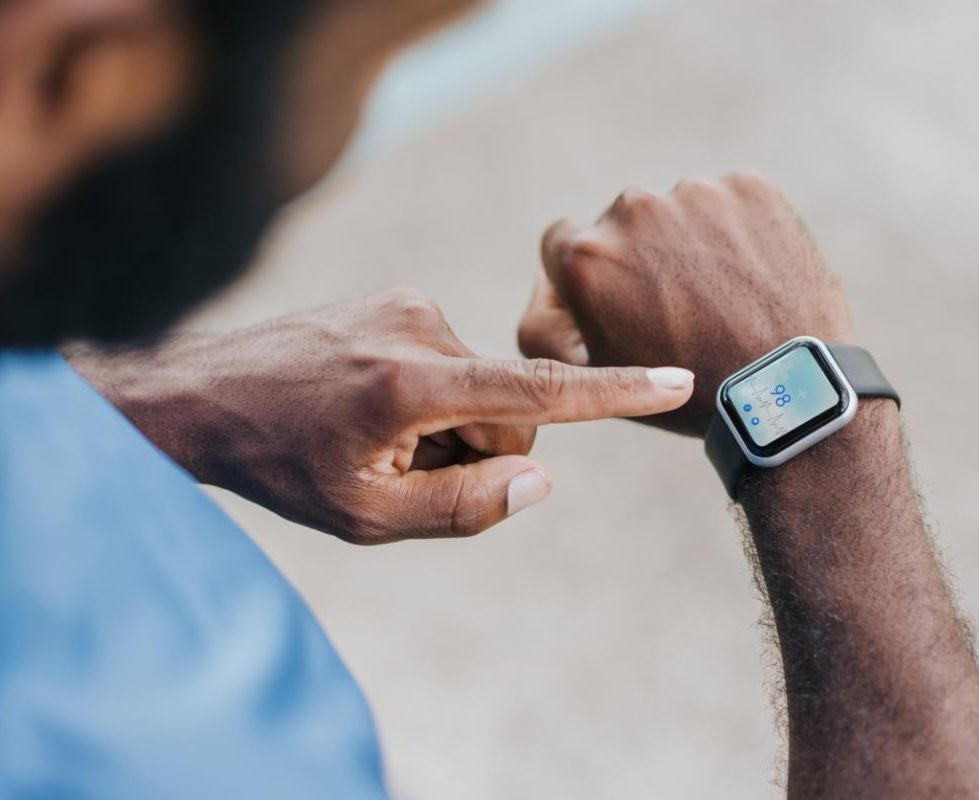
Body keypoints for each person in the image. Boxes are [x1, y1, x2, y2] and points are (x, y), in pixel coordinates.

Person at [0, 2, 976, 800]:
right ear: (76, 72)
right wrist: (818, 430)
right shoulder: (158, 746)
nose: (330, 140)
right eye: (361, 67)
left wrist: (142, 406)